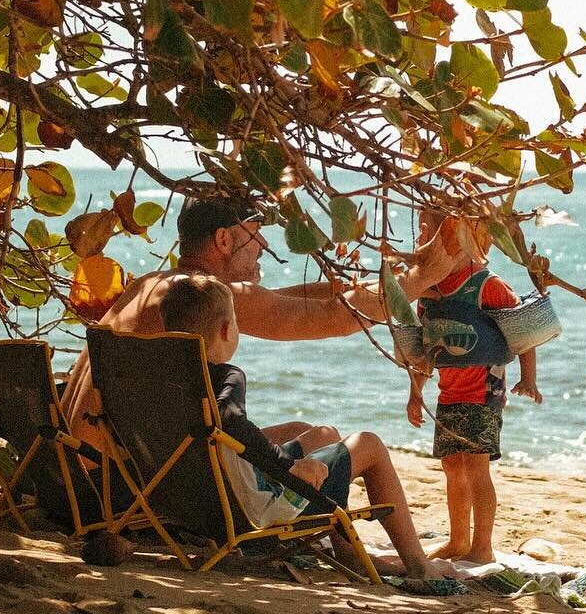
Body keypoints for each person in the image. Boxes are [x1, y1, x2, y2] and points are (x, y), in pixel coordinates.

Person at [60, 190, 465, 449]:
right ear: (223, 240)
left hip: (90, 474)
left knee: (304, 432)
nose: (265, 243)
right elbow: (334, 317)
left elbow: (306, 298)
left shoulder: (152, 285)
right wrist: (425, 276)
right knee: (325, 440)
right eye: (254, 231)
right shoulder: (211, 296)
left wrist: (402, 283)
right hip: (135, 486)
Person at [158, 273, 451, 581]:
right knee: (369, 444)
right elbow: (230, 420)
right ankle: (420, 565)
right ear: (227, 329)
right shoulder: (225, 377)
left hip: (194, 508)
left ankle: (347, 552)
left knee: (324, 434)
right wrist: (289, 466)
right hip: (251, 518)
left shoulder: (158, 378)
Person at [405, 220, 541, 565]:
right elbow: (425, 349)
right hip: (448, 391)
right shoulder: (429, 291)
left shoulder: (486, 285)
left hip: (484, 390)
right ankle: (457, 540)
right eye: (424, 235)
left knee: (476, 464)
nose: (425, 240)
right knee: (451, 465)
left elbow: (523, 329)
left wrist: (529, 378)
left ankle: (483, 546)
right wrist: (415, 392)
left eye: (434, 235)